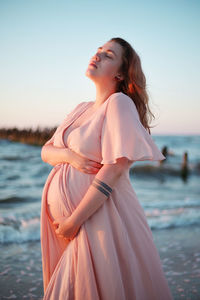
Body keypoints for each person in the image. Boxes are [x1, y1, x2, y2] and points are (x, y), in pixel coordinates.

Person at [40, 37, 173, 300]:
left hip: (98, 221)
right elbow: (46, 152)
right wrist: (70, 156)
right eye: (98, 51)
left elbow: (113, 170)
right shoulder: (81, 109)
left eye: (108, 55)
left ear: (121, 73)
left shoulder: (119, 103)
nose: (97, 55)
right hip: (78, 224)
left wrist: (72, 222)